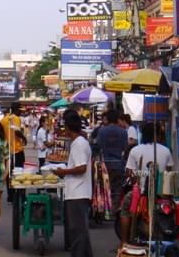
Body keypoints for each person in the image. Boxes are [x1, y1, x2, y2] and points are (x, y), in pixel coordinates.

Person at [119, 123, 174, 245]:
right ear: (158, 134)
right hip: (161, 194)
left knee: (125, 210)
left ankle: (123, 241)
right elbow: (168, 173)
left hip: (140, 193)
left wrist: (139, 176)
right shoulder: (166, 151)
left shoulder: (135, 150)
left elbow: (129, 173)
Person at [53, 112, 93, 257]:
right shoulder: (79, 143)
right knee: (81, 231)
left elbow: (81, 168)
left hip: (78, 192)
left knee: (77, 231)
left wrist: (63, 171)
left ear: (69, 127)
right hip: (77, 191)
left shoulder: (79, 144)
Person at [95, 109, 127, 212]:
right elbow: (125, 147)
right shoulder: (123, 131)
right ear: (117, 119)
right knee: (117, 188)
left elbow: (98, 145)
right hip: (119, 164)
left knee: (105, 188)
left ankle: (105, 209)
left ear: (107, 119)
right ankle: (115, 208)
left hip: (105, 164)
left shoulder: (102, 130)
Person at [1, 103, 26, 203]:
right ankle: (19, 194)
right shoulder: (15, 118)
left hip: (7, 151)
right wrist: (23, 137)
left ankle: (10, 196)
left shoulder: (3, 119)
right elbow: (16, 131)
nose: (21, 112)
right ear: (16, 110)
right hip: (17, 150)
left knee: (9, 174)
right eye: (20, 110)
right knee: (19, 172)